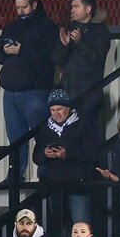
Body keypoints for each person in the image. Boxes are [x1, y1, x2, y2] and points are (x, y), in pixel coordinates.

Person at [0, 0, 58, 189]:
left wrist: (23, 50)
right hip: (11, 91)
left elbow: (50, 53)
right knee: (15, 137)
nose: (20, 11)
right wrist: (4, 50)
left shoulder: (47, 26)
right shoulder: (11, 26)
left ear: (34, 5)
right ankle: (15, 176)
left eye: (24, 7)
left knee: (42, 135)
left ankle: (46, 175)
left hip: (35, 90)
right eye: (18, 7)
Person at [32, 88, 100, 228]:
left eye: (59, 109)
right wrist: (45, 154)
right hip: (54, 187)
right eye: (52, 110)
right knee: (56, 228)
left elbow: (93, 154)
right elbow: (36, 157)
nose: (56, 114)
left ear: (68, 108)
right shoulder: (45, 129)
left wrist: (67, 154)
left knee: (81, 227)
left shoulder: (84, 125)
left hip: (78, 186)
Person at [52, 0, 111, 132]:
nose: (72, 10)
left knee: (88, 132)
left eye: (76, 6)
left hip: (89, 92)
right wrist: (64, 45)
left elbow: (97, 56)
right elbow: (57, 60)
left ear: (88, 9)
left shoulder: (100, 31)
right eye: (72, 6)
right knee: (70, 132)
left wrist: (80, 42)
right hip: (69, 91)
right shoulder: (69, 29)